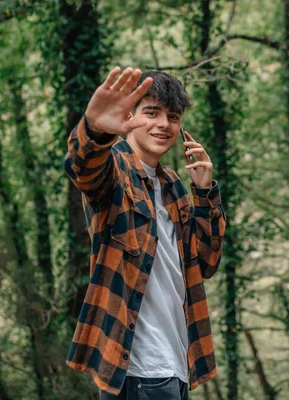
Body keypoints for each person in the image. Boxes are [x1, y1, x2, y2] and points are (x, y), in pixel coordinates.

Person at [63, 66, 226, 399]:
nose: (164, 124)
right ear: (129, 116)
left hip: (177, 363)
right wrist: (96, 132)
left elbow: (206, 263)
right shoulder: (115, 169)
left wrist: (205, 192)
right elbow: (82, 166)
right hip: (139, 369)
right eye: (151, 113)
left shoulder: (174, 189)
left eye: (173, 116)